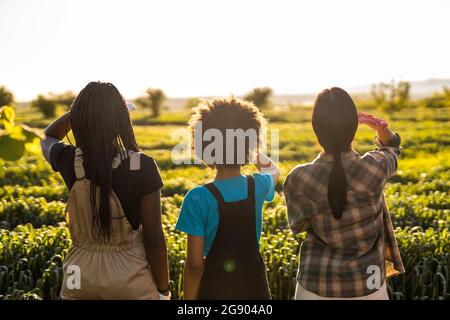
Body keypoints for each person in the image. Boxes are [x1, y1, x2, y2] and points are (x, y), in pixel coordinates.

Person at [40, 81, 170, 300]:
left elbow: (47, 137)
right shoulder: (141, 165)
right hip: (129, 279)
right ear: (121, 120)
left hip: (77, 276)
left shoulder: (69, 159)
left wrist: (80, 112)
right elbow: (154, 239)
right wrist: (164, 291)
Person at [283, 87, 405, 300]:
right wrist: (381, 128)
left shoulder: (298, 178)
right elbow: (392, 148)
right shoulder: (374, 168)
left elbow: (297, 226)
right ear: (353, 128)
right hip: (370, 286)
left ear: (316, 128)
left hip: (316, 285)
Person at [176, 97, 279, 299]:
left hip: (214, 290)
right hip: (255, 290)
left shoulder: (197, 198)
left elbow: (195, 265)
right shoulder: (257, 186)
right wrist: (250, 149)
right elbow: (273, 169)